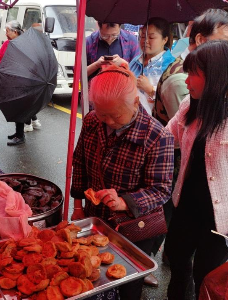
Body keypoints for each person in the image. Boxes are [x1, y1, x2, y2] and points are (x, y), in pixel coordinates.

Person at [71, 64, 174, 300]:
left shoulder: (158, 136)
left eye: (115, 115)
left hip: (135, 226)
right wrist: (78, 208)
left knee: (128, 280)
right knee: (92, 272)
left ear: (136, 103)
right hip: (95, 216)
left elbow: (161, 190)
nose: (107, 121)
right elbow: (81, 163)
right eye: (102, 113)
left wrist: (125, 202)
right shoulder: (91, 122)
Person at [165, 40, 228, 300]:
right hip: (186, 204)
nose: (186, 81)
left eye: (193, 74)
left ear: (215, 77)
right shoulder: (189, 107)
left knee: (207, 274)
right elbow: (165, 137)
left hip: (219, 217)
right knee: (177, 261)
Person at [0, 20, 40, 145]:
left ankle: (20, 135)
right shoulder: (7, 44)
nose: (6, 33)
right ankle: (18, 132)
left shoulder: (26, 44)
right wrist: (1, 68)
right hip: (10, 80)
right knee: (15, 107)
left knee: (20, 107)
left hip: (24, 80)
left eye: (7, 31)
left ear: (15, 31)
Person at [129, 17, 175, 115]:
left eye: (151, 37)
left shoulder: (171, 66)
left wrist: (151, 90)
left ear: (165, 39)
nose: (145, 41)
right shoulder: (136, 60)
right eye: (142, 36)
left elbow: (173, 101)